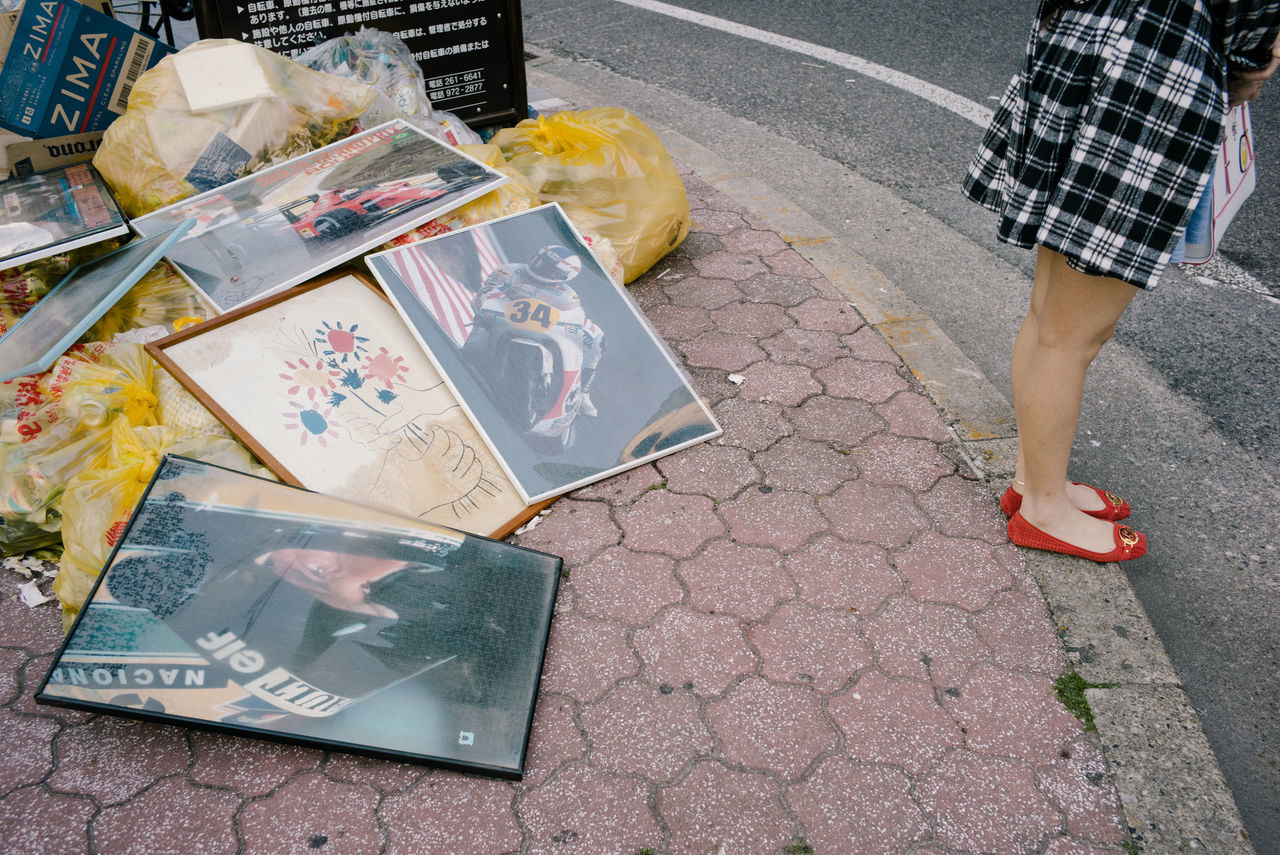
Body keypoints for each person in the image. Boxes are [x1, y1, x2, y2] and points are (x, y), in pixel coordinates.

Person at [963, 0, 1280, 562]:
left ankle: (1036, 482)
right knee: (1072, 335)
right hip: (1150, 74)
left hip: (1081, 47)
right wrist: (1251, 65)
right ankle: (1043, 509)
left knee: (1050, 314)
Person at [469, 244, 607, 417]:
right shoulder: (510, 271)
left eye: (547, 268)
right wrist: (490, 307)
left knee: (598, 340)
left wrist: (585, 334)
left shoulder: (567, 295)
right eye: (539, 261)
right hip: (503, 324)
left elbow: (576, 317)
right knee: (472, 351)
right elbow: (483, 297)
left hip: (540, 334)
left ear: (563, 276)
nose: (539, 268)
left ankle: (583, 393)